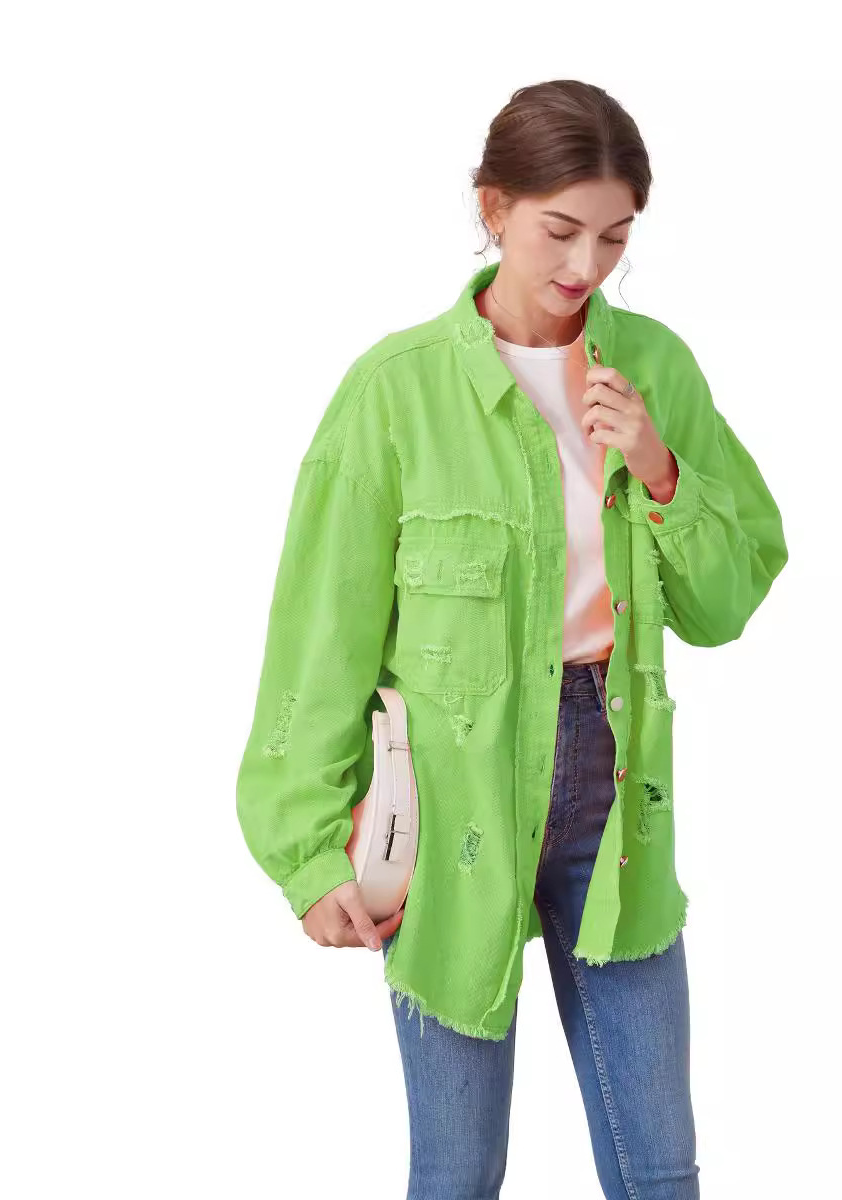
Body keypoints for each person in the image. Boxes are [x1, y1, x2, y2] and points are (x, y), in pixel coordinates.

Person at [236, 79, 788, 1199]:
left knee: (659, 1170)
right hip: (451, 801)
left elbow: (725, 604)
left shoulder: (658, 370)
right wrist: (306, 852)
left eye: (616, 237)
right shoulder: (393, 394)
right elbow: (319, 638)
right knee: (456, 1173)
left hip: (616, 796)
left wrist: (659, 470)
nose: (588, 265)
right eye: (561, 230)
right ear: (493, 207)